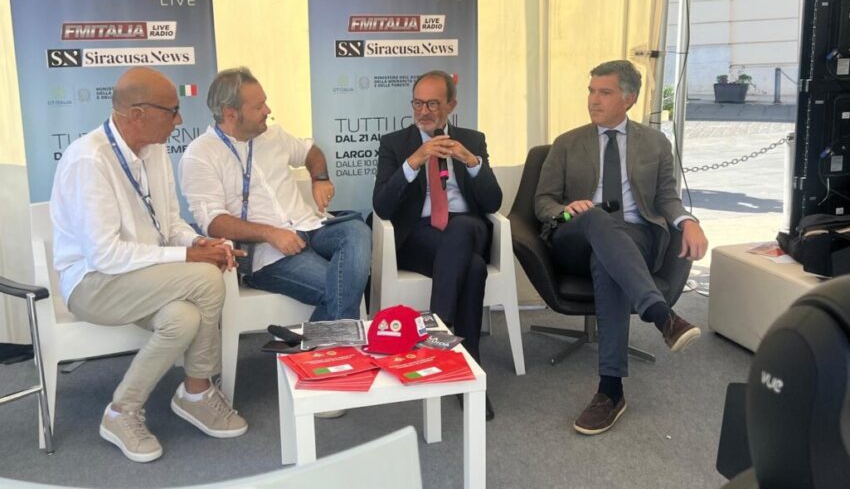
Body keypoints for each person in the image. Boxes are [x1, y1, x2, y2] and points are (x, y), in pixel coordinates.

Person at [50, 67, 248, 463]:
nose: (179, 120)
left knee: (183, 319)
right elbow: (105, 255)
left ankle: (121, 410)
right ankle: (196, 391)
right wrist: (189, 257)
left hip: (141, 276)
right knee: (207, 278)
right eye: (172, 111)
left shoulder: (154, 151)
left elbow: (170, 224)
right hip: (92, 283)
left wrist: (196, 241)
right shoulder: (89, 160)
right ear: (137, 114)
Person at [534, 59, 709, 435]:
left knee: (608, 260)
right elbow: (542, 202)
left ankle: (610, 391)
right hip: (575, 236)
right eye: (591, 91)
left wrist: (688, 221)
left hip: (633, 238)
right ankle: (661, 314)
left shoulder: (656, 143)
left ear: (628, 99)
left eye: (605, 92)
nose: (593, 100)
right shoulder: (567, 143)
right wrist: (566, 209)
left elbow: (666, 198)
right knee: (597, 219)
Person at [179, 67, 370, 325]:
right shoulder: (200, 154)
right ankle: (321, 348)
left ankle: (308, 348)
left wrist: (320, 178)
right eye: (258, 107)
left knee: (357, 230)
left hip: (311, 227)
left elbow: (310, 152)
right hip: (268, 254)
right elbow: (213, 222)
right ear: (230, 113)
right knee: (341, 288)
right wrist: (271, 233)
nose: (267, 111)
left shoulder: (273, 135)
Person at [373, 70, 502, 420]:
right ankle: (468, 370)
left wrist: (471, 162)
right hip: (419, 235)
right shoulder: (394, 144)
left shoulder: (472, 140)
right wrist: (414, 161)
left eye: (432, 104)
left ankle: (436, 333)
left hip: (468, 227)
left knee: (462, 230)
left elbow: (493, 202)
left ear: (451, 105)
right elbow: (382, 207)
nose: (424, 111)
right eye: (418, 103)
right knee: (472, 267)